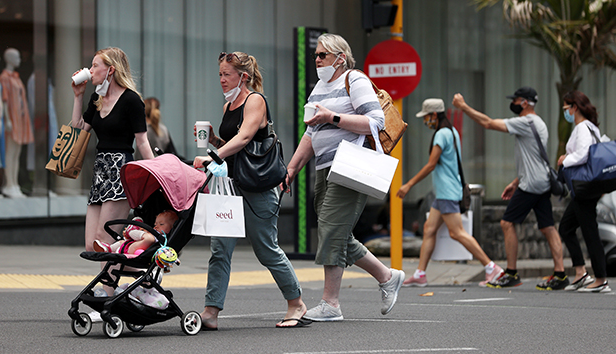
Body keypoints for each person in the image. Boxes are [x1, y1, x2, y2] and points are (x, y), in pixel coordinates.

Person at [285, 33, 405, 322]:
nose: (316, 59)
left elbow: (375, 121)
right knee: (335, 231)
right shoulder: (319, 89)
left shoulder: (355, 79)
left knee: (331, 230)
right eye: (316, 54)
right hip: (325, 168)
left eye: (322, 55)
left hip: (351, 165)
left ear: (340, 57)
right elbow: (310, 134)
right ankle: (387, 276)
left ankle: (331, 304)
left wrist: (332, 118)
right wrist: (291, 168)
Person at [192, 51, 308, 329]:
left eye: (226, 74)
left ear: (243, 76)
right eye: (219, 74)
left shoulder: (255, 101)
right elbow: (235, 140)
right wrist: (213, 139)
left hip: (258, 188)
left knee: (266, 249)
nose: (221, 79)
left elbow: (245, 138)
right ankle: (211, 310)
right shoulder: (228, 106)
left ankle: (296, 303)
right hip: (231, 186)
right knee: (220, 249)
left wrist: (214, 154)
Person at [452, 87, 569, 290]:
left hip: (531, 184)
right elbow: (533, 158)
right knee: (548, 227)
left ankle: (511, 273)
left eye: (515, 100)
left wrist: (463, 107)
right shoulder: (539, 123)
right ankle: (560, 274)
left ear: (524, 102)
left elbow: (488, 123)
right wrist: (516, 182)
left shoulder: (526, 122)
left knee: (507, 223)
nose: (512, 103)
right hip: (540, 181)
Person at [71, 47, 154, 313]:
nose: (91, 70)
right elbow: (78, 131)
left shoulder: (131, 101)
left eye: (95, 66)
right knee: (91, 245)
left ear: (111, 70)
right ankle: (146, 274)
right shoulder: (96, 99)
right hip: (100, 172)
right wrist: (78, 96)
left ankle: (107, 298)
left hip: (120, 171)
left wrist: (157, 173)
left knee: (103, 241)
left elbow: (142, 141)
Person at [397, 98, 503, 287]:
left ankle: (491, 268)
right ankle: (420, 274)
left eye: (426, 117)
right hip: (445, 192)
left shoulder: (441, 135)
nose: (425, 121)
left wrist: (408, 185)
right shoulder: (451, 131)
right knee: (429, 229)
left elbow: (431, 165)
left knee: (457, 233)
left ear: (434, 115)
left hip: (447, 192)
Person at [557, 91, 610, 293]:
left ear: (574, 107)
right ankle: (581, 274)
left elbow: (585, 152)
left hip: (585, 188)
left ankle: (601, 279)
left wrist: (565, 159)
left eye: (566, 109)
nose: (565, 113)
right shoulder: (590, 127)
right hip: (588, 188)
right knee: (566, 228)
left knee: (590, 232)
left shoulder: (582, 127)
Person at [0, 48, 35, 198]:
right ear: (8, 59)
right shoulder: (4, 78)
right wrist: (7, 119)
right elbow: (4, 100)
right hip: (11, 120)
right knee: (10, 152)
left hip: (21, 120)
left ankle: (14, 184)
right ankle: (8, 184)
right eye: (17, 57)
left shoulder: (17, 78)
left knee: (17, 153)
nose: (20, 59)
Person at [93, 210, 178, 255]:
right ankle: (109, 248)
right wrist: (143, 231)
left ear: (172, 227)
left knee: (149, 238)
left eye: (161, 224)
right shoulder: (154, 231)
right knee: (123, 242)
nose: (156, 226)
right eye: (155, 224)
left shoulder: (165, 238)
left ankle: (131, 231)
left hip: (138, 250)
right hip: (131, 246)